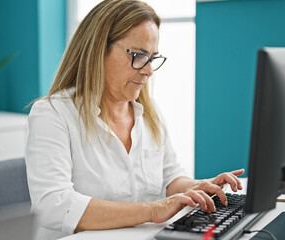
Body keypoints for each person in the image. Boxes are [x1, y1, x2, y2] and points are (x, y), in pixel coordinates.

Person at [25, 0, 244, 239]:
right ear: (98, 49)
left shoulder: (148, 112)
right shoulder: (53, 114)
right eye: (139, 55)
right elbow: (53, 206)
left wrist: (195, 188)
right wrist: (153, 210)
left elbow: (171, 176)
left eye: (152, 57)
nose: (148, 70)